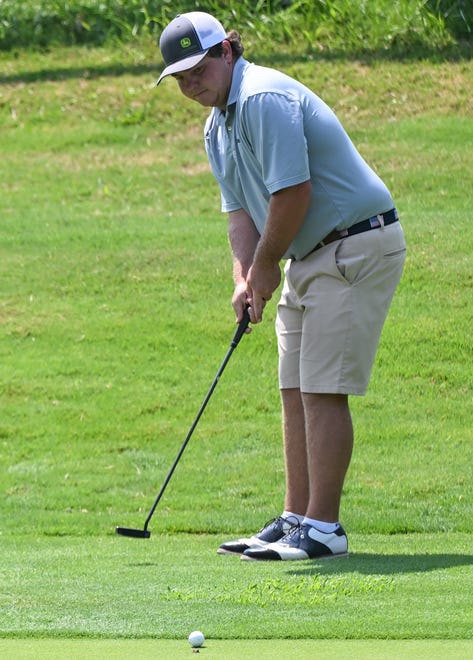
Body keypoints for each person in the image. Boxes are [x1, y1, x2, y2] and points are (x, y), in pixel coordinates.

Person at [157, 12, 406, 561]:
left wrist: (266, 268)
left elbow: (292, 193)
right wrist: (244, 277)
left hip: (353, 243)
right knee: (294, 385)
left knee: (321, 385)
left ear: (226, 51)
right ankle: (297, 517)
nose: (191, 84)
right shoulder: (215, 125)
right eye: (180, 78)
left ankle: (324, 529)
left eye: (198, 68)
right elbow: (239, 212)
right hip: (308, 252)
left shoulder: (264, 98)